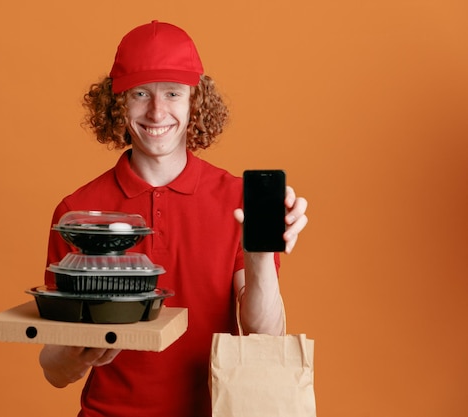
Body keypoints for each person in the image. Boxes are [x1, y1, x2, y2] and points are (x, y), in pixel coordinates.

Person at [38, 20, 309, 417]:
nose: (157, 111)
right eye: (141, 93)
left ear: (194, 102)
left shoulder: (235, 199)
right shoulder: (77, 212)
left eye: (172, 93)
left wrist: (260, 255)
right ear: (118, 103)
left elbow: (264, 335)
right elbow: (54, 372)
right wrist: (85, 348)